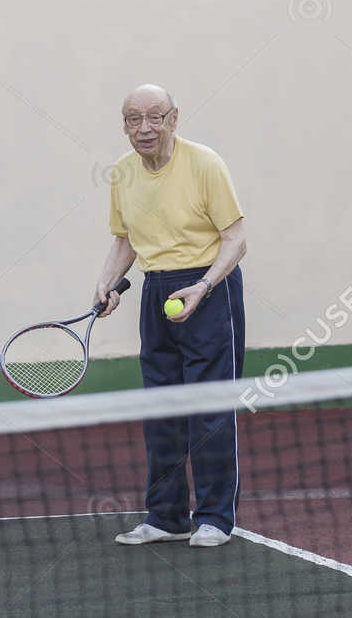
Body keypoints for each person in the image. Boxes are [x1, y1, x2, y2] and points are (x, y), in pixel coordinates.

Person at [92, 84, 247, 547]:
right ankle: (167, 517)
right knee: (159, 409)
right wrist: (105, 282)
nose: (145, 128)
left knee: (209, 409)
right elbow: (124, 241)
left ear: (174, 118)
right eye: (133, 119)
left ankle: (216, 518)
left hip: (208, 289)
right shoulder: (122, 174)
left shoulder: (205, 164)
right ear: (124, 126)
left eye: (155, 117)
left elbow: (236, 239)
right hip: (156, 291)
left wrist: (203, 286)